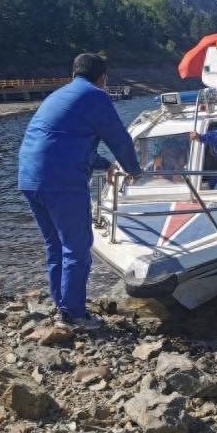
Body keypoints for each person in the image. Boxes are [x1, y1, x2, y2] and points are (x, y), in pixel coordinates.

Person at [18, 53, 142, 330]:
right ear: (103, 78)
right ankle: (74, 314)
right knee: (77, 247)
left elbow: (64, 144)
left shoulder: (57, 96)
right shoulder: (97, 96)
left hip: (29, 178)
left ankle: (62, 306)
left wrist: (106, 164)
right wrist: (134, 170)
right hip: (62, 183)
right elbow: (120, 139)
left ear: (73, 74)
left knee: (56, 246)